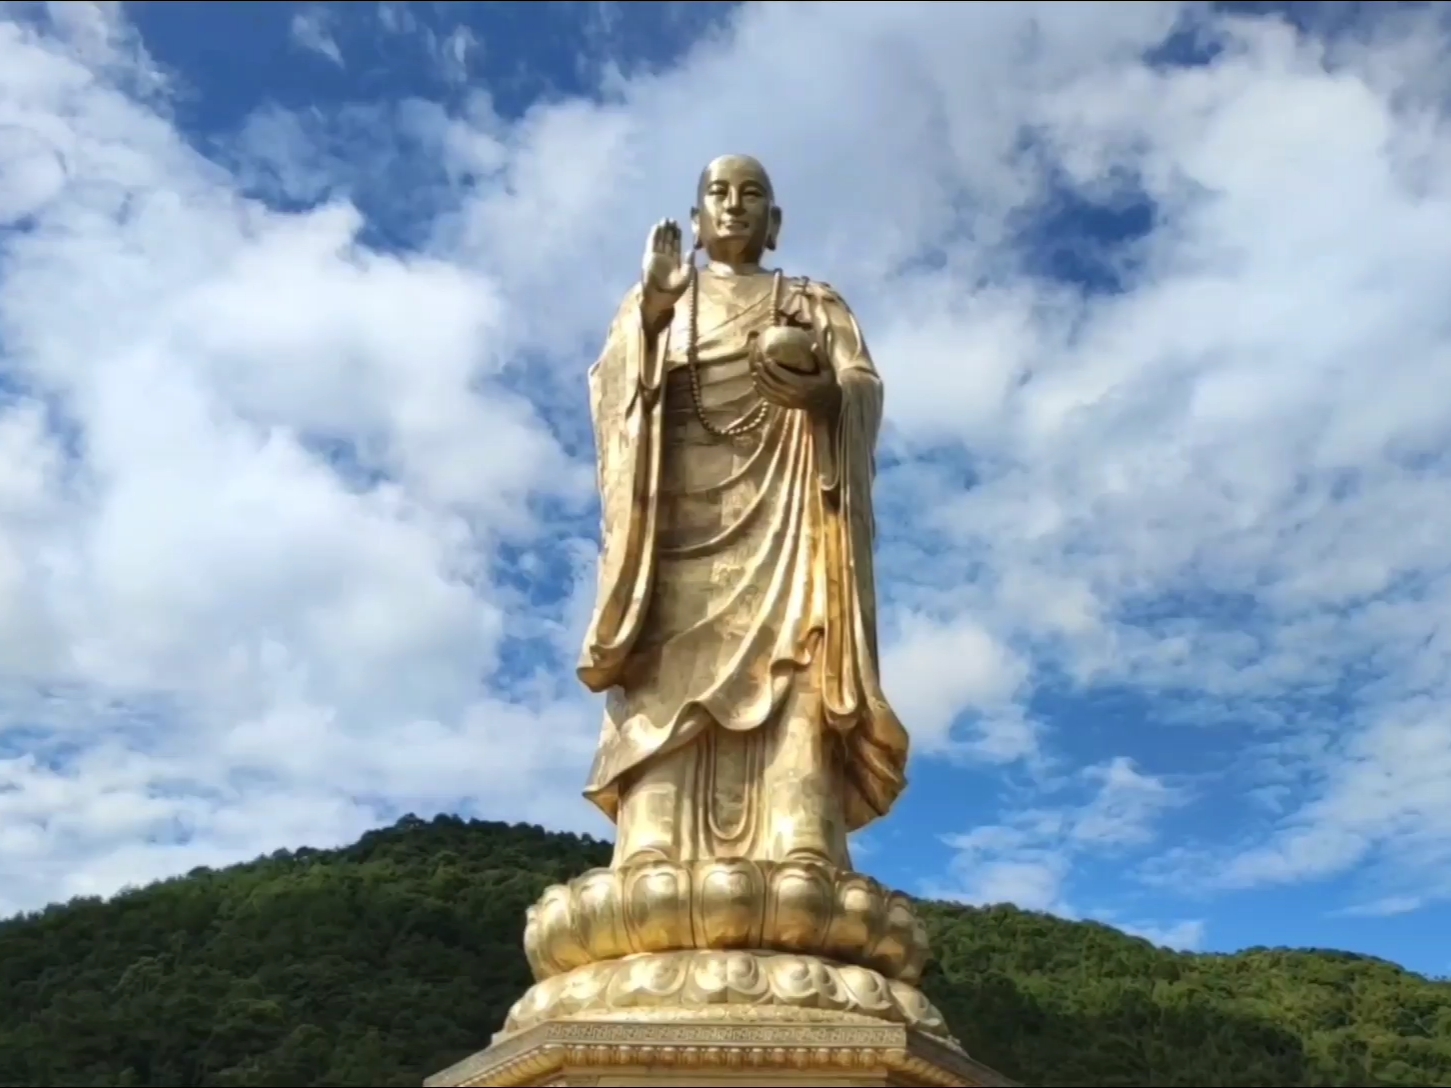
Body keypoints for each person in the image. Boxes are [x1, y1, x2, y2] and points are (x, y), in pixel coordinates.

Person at [577, 154, 909, 871]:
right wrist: (654, 311)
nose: (733, 206)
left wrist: (826, 396)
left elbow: (860, 386)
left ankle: (799, 827)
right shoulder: (660, 305)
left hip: (790, 507)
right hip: (674, 521)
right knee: (667, 663)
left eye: (751, 194)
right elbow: (612, 393)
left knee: (798, 654)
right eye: (717, 194)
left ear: (775, 222)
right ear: (695, 219)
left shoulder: (812, 304)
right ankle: (653, 830)